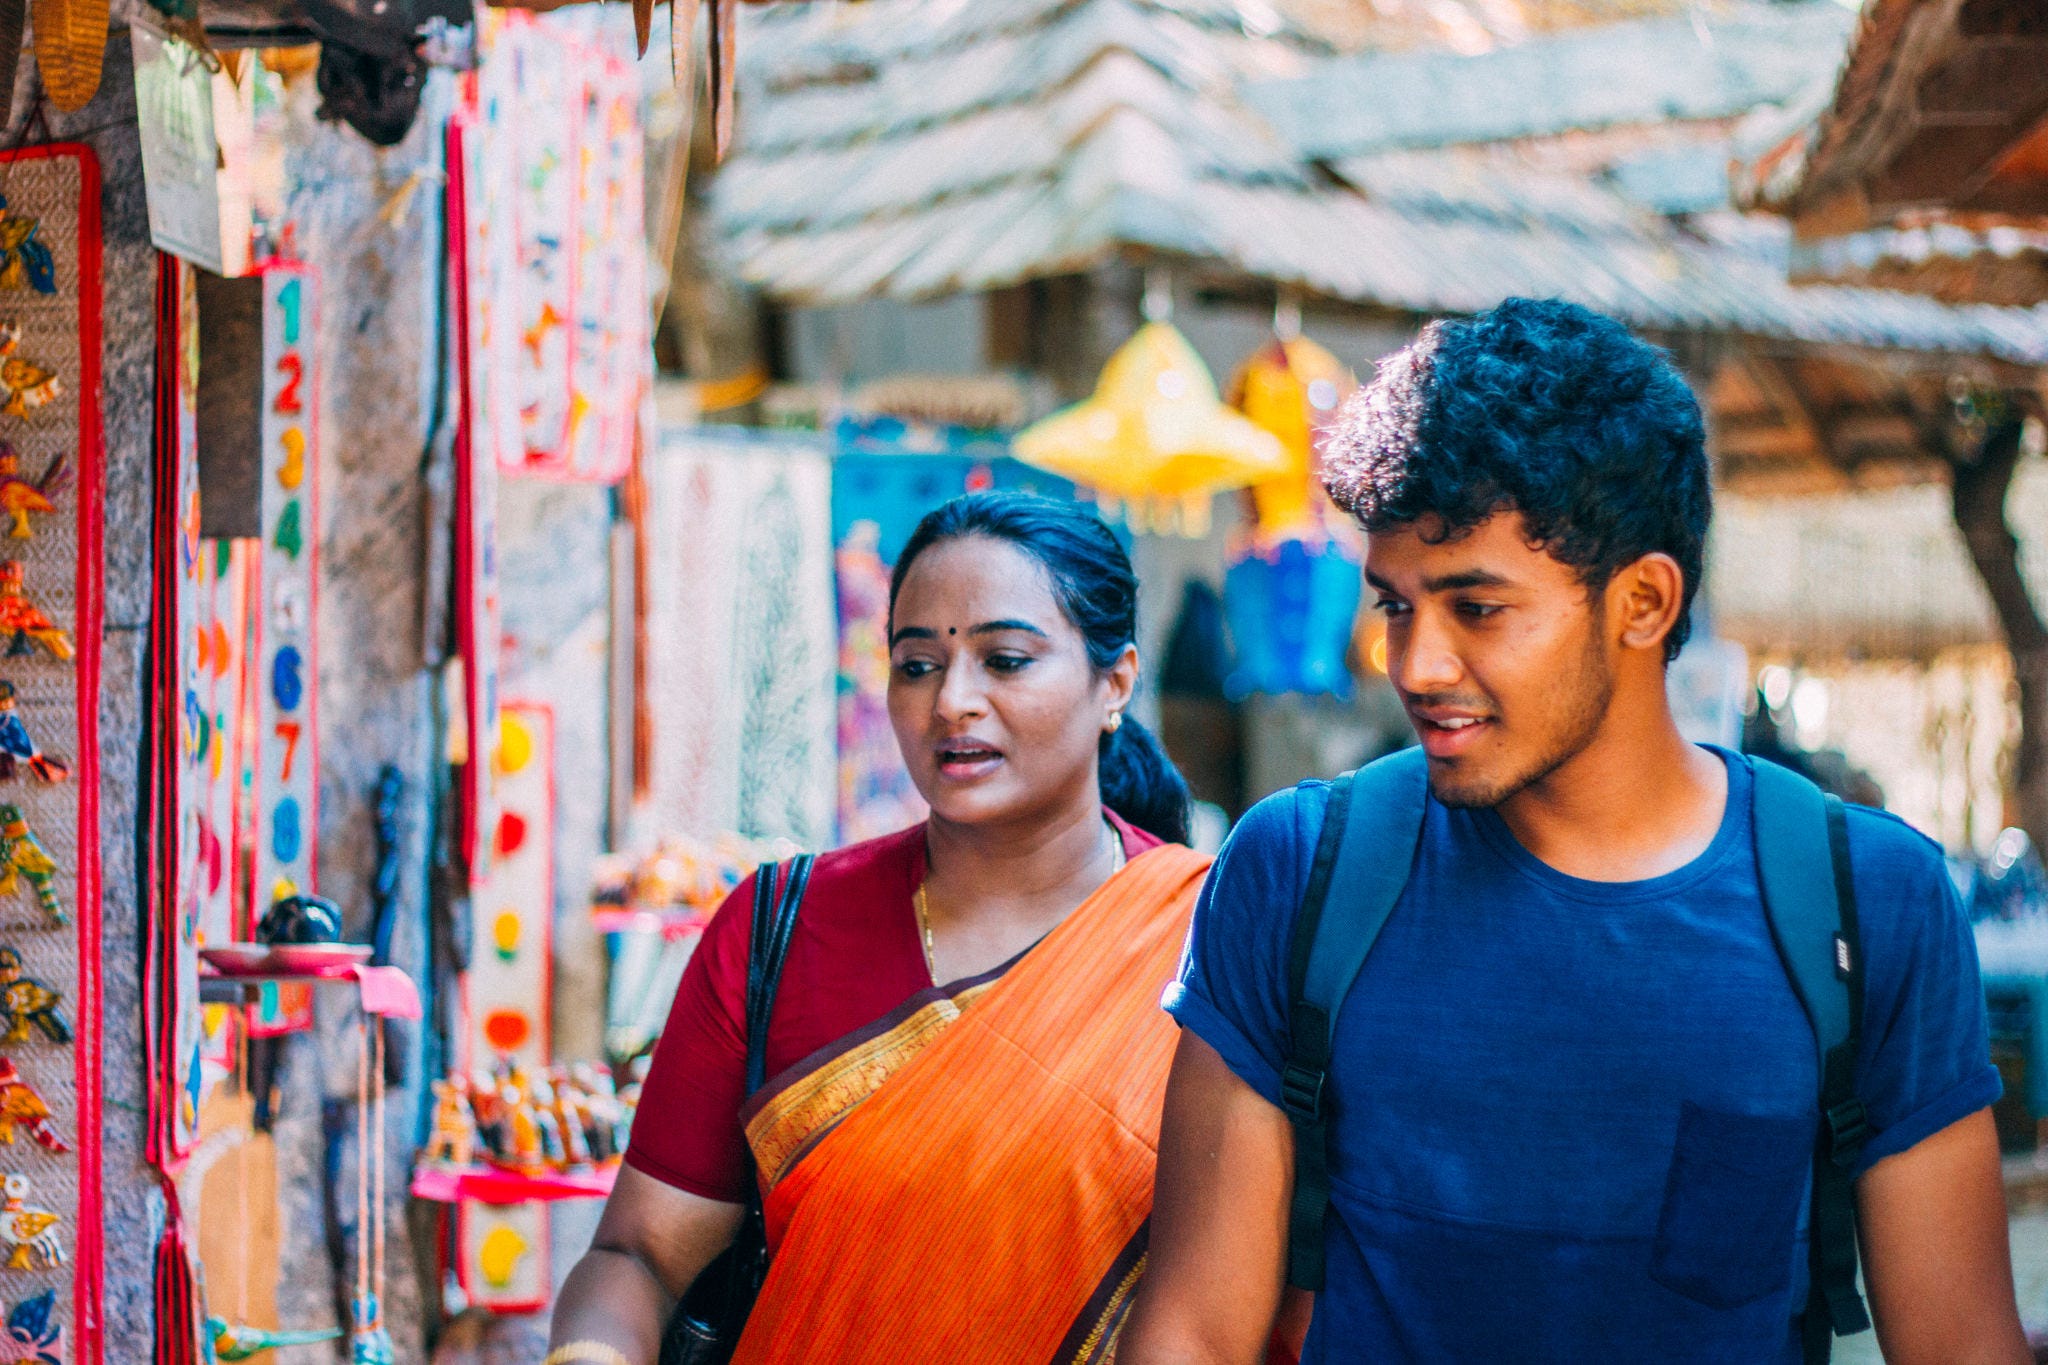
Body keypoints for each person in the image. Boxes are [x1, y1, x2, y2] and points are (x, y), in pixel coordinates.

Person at [1121, 298, 2029, 1365]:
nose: (1413, 666)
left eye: (1476, 608)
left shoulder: (1862, 906)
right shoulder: (1296, 876)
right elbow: (1190, 1333)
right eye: (1395, 605)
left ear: (1640, 603)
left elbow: (1960, 1346)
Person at [547, 492, 1212, 1365]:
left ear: (1115, 681)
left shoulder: (1206, 941)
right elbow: (640, 1255)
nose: (952, 702)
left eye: (1005, 660)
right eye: (916, 664)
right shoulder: (779, 929)